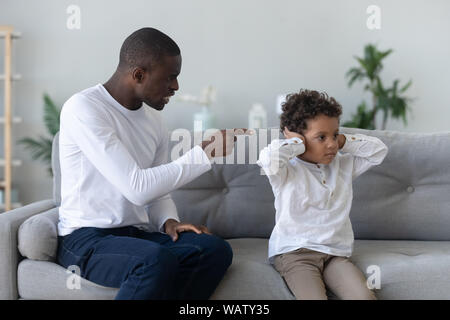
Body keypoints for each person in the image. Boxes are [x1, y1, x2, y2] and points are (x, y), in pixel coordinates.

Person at [56, 27, 241, 300]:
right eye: (170, 77)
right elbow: (137, 188)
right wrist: (203, 154)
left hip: (134, 235)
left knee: (213, 249)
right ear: (139, 75)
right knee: (153, 260)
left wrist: (168, 221)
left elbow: (157, 193)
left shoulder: (154, 121)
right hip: (85, 239)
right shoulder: (84, 108)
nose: (176, 87)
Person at [257, 89, 388, 300]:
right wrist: (297, 143)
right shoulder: (285, 170)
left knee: (364, 297)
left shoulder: (343, 165)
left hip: (335, 255)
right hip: (295, 254)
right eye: (321, 137)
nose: (331, 144)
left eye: (334, 135)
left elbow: (378, 152)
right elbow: (268, 158)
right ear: (296, 137)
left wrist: (343, 140)